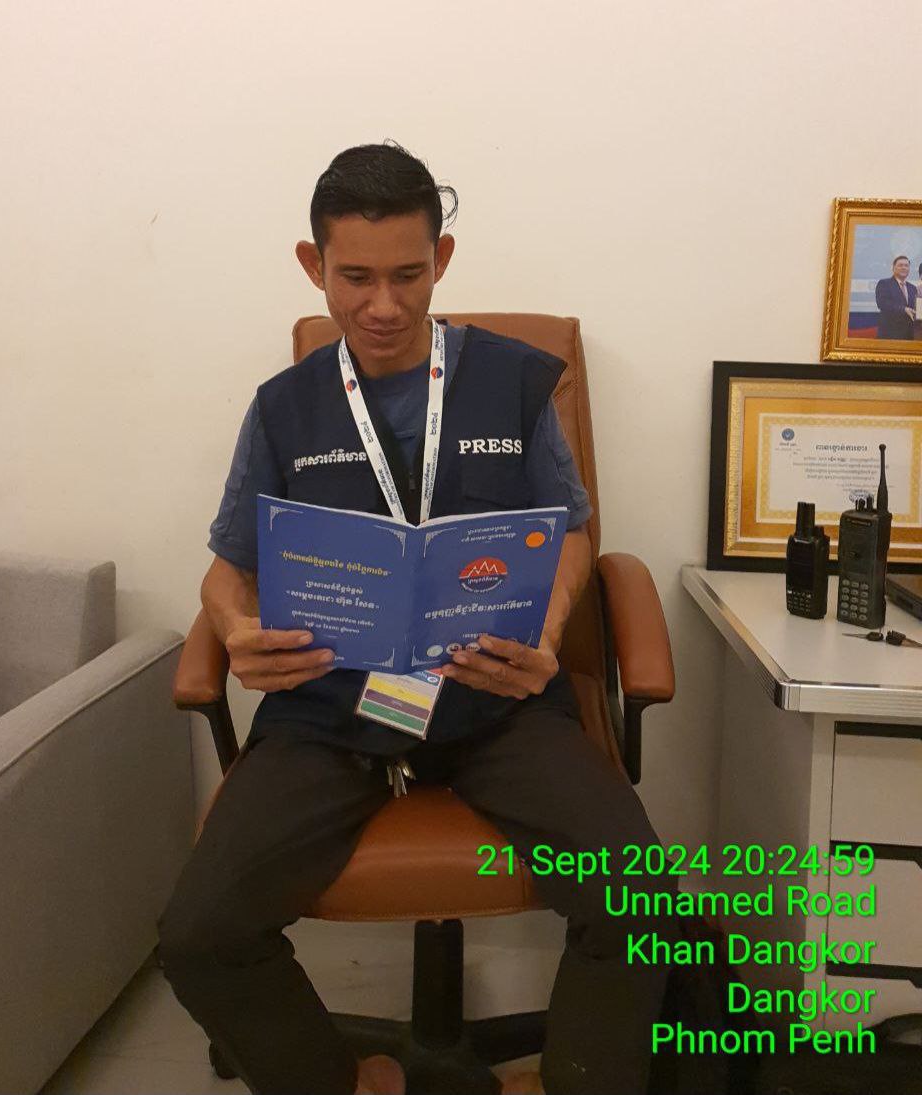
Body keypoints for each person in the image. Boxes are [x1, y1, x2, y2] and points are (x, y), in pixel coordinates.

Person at [156, 142, 676, 1095]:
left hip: (492, 698)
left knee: (643, 904)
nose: (384, 305)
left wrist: (548, 633)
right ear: (314, 265)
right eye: (355, 278)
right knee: (198, 932)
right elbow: (228, 569)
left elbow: (570, 531)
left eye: (407, 274)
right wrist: (234, 631)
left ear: (442, 258)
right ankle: (348, 1082)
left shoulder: (516, 384)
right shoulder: (283, 409)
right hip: (332, 707)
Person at [875, 255, 918, 340]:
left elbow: (914, 308)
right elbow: (882, 304)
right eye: (900, 265)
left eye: (906, 265)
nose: (904, 268)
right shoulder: (884, 283)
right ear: (893, 268)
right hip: (889, 334)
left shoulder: (913, 288)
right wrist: (904, 309)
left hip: (908, 335)